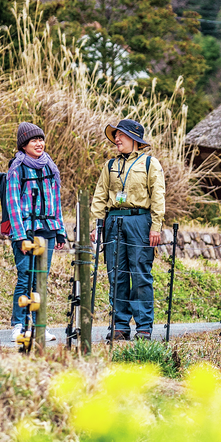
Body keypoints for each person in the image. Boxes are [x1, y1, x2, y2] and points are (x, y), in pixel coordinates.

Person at [90, 118, 165, 341]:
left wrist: (156, 226)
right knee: (116, 275)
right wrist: (96, 224)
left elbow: (158, 197)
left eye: (121, 135)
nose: (116, 139)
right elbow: (100, 196)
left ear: (134, 139)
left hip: (139, 221)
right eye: (115, 135)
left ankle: (144, 327)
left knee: (140, 274)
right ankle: (120, 325)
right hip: (113, 222)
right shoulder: (110, 166)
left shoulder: (150, 164)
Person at [5, 122, 66, 335]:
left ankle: (39, 327)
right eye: (33, 140)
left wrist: (60, 231)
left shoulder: (50, 166)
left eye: (41, 139)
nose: (39, 144)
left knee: (41, 279)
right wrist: (20, 236)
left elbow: (55, 200)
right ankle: (19, 325)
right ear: (23, 145)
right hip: (26, 231)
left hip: (47, 230)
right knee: (26, 277)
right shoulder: (17, 168)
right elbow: (12, 204)